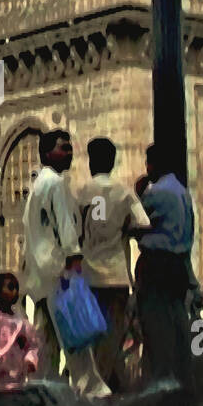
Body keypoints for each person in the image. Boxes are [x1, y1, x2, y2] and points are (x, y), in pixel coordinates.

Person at [20, 129, 110, 397]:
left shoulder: (37, 185)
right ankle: (92, 390)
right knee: (75, 336)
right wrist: (74, 260)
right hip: (60, 272)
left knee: (45, 341)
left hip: (39, 275)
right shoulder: (56, 184)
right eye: (63, 148)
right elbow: (64, 227)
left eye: (70, 148)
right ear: (48, 154)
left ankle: (41, 390)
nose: (69, 153)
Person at [75, 137, 149, 393]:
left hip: (88, 278)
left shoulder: (81, 194)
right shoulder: (124, 193)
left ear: (91, 161)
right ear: (112, 161)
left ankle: (104, 390)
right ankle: (101, 393)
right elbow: (143, 225)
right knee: (112, 339)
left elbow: (73, 233)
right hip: (116, 278)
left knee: (93, 341)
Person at [135, 143, 199, 392]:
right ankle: (183, 386)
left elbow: (134, 220)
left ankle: (162, 388)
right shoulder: (183, 192)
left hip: (157, 266)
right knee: (177, 328)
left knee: (157, 331)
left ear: (154, 165)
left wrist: (138, 192)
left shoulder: (156, 194)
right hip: (178, 266)